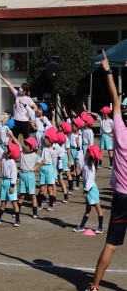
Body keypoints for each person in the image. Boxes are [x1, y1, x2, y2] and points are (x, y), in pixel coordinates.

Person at [85, 51, 127, 291]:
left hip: (121, 196)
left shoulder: (120, 133)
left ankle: (94, 286)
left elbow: (115, 99)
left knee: (110, 245)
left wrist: (108, 70)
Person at [8, 132, 43, 219]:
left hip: (30, 175)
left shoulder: (34, 155)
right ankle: (17, 211)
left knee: (32, 195)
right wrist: (12, 135)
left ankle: (35, 212)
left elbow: (43, 161)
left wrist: (36, 167)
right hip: (23, 175)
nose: (25, 146)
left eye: (27, 145)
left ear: (31, 148)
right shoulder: (22, 151)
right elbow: (17, 142)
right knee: (21, 195)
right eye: (25, 144)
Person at [0, 141, 21, 227]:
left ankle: (17, 220)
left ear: (10, 153)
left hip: (10, 182)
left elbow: (14, 175)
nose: (5, 149)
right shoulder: (3, 156)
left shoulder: (12, 162)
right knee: (3, 202)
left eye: (7, 149)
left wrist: (12, 186)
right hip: (3, 182)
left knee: (14, 202)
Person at [73, 145, 103, 234]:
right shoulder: (87, 164)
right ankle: (82, 226)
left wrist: (85, 191)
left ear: (90, 154)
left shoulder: (90, 167)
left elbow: (89, 180)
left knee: (98, 209)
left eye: (87, 151)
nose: (85, 153)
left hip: (91, 190)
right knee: (88, 209)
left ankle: (100, 228)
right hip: (89, 188)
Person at [0, 72, 37, 140]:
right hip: (16, 120)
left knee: (26, 139)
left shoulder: (28, 99)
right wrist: (1, 77)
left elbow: (35, 107)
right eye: (21, 87)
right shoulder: (17, 94)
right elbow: (9, 84)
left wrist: (29, 112)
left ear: (25, 91)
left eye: (22, 88)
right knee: (14, 138)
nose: (20, 88)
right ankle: (14, 150)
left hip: (24, 121)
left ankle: (29, 150)